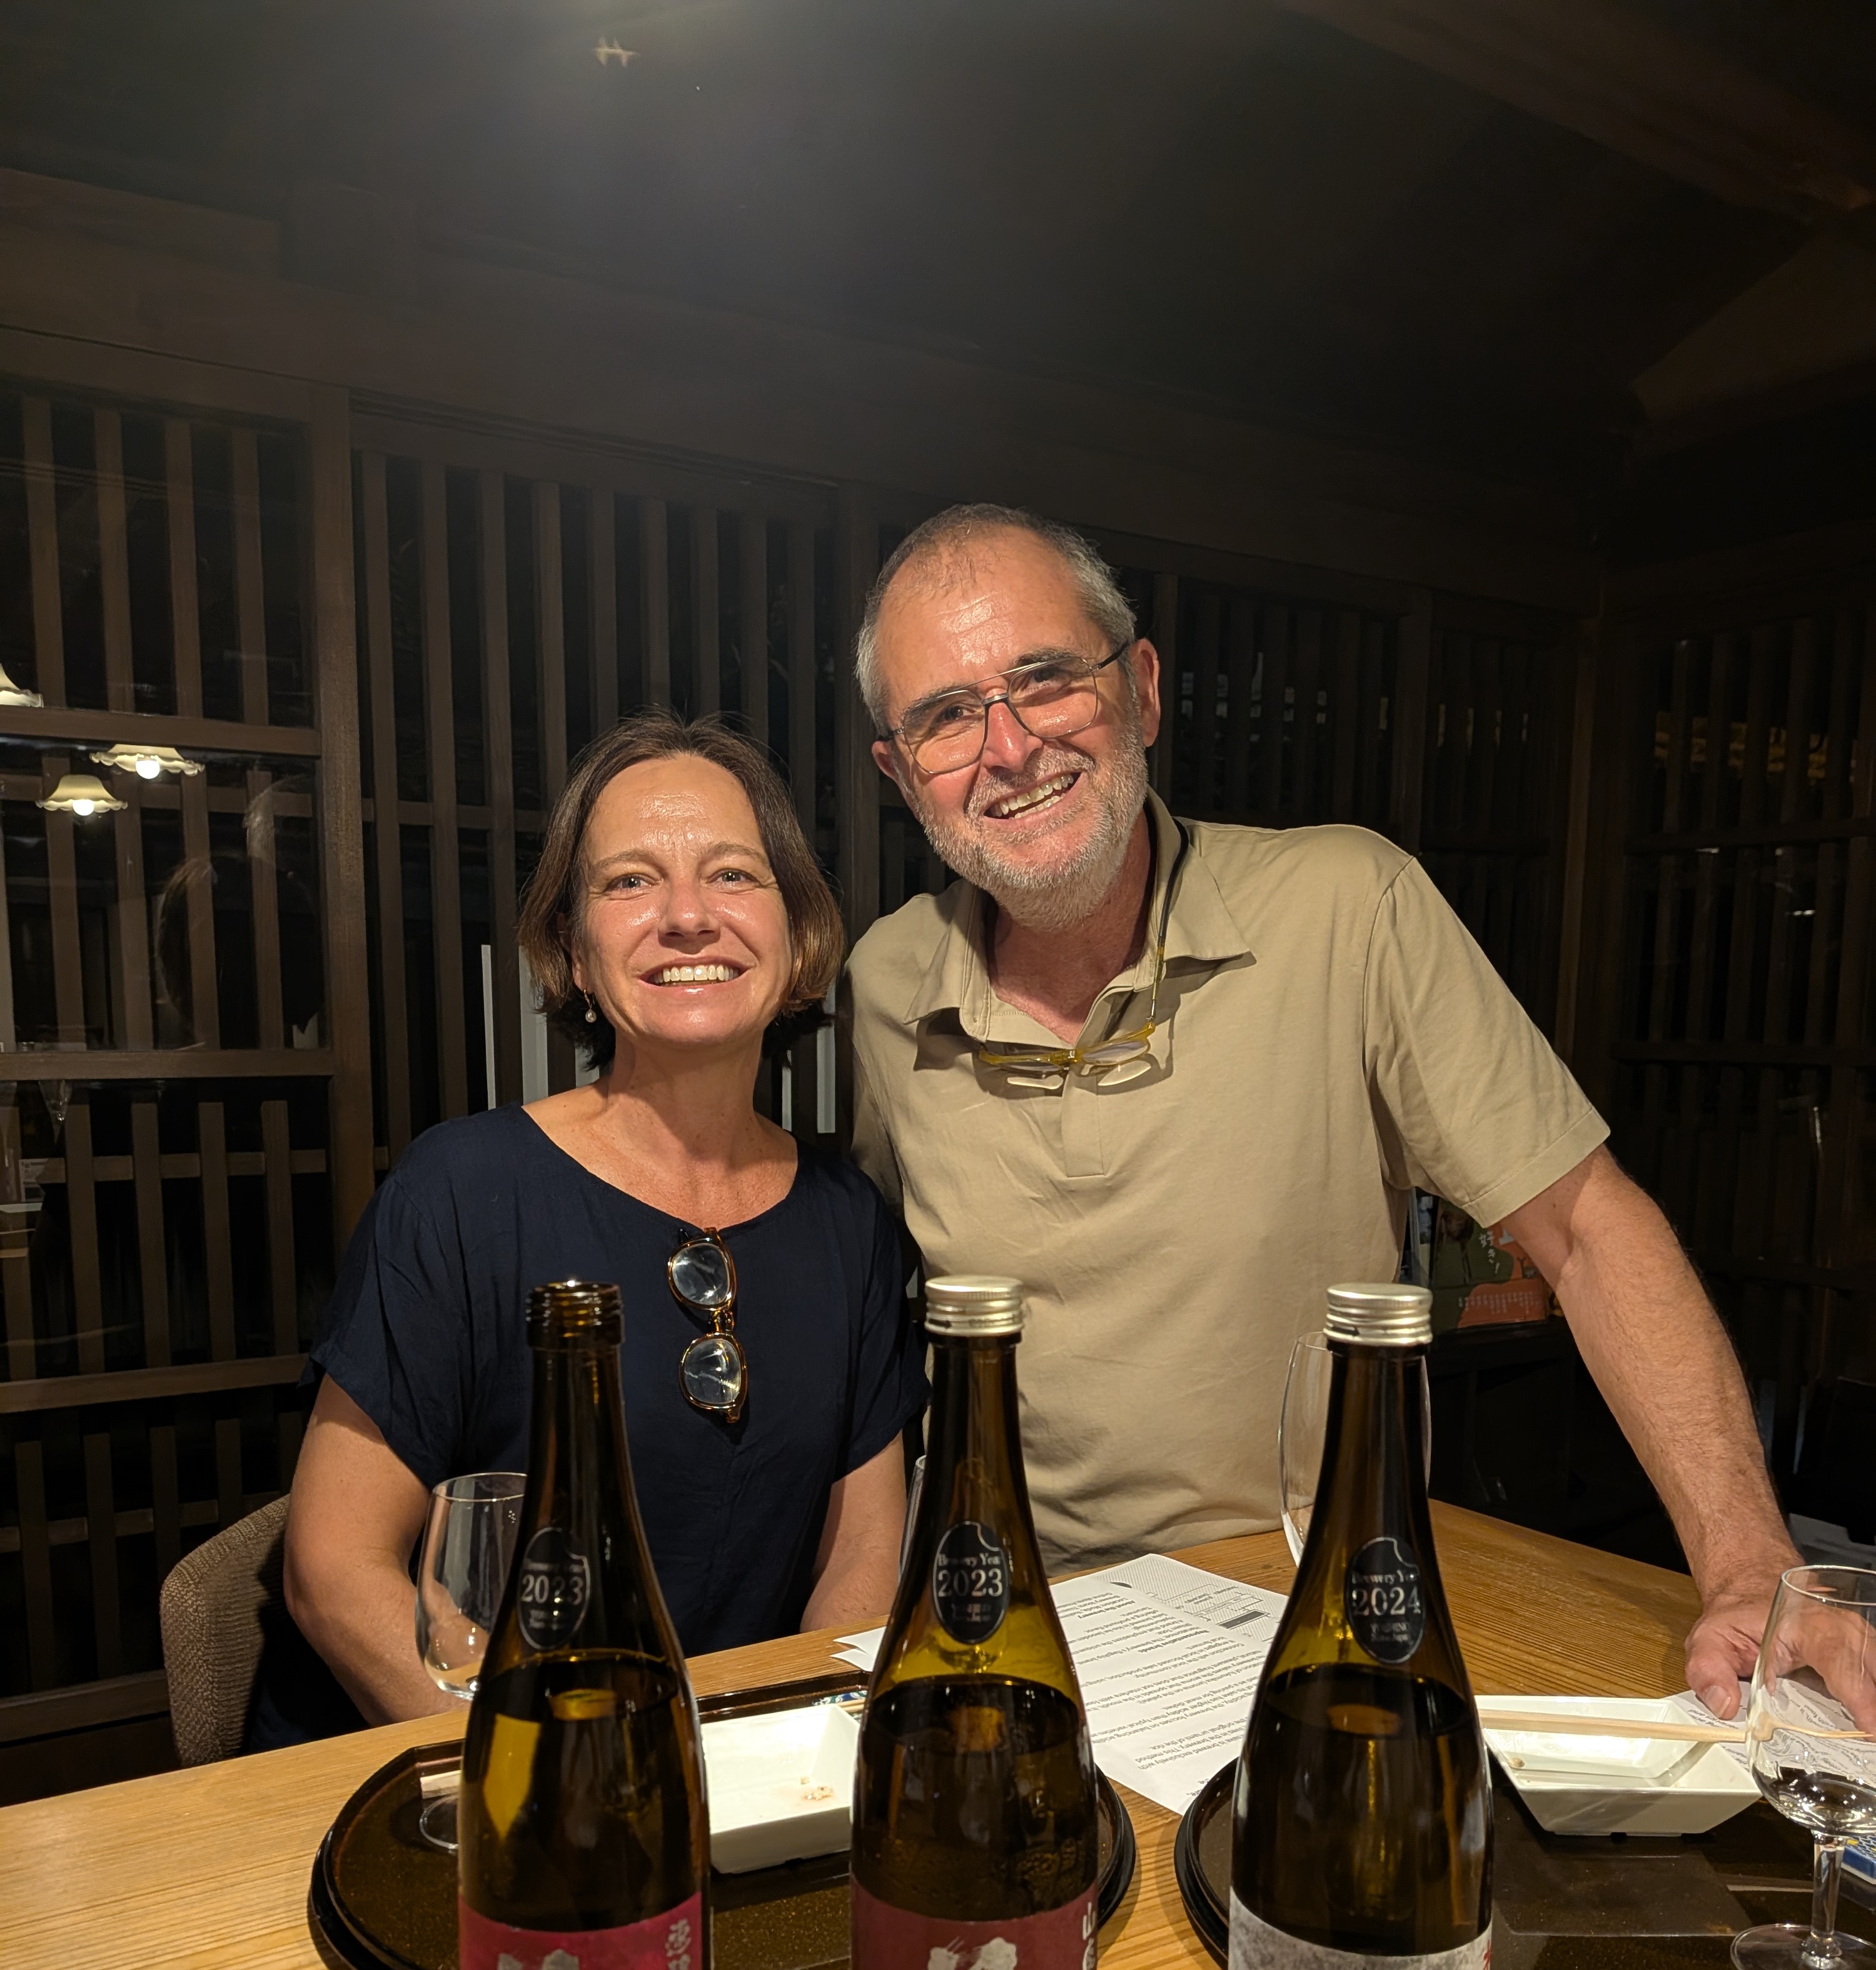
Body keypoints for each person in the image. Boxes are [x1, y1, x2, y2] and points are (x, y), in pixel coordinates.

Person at [842, 503, 1830, 1726]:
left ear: (1141, 688)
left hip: (1304, 1611)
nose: (1009, 745)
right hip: (1002, 1624)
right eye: (946, 715)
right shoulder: (886, 981)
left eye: (1047, 678)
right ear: (899, 773)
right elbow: (862, 1307)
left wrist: (1750, 1567)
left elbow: (1586, 1229)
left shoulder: (1346, 905)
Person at [270, 713, 924, 1743]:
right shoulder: (462, 1191)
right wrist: (557, 1787)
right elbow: (334, 1569)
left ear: (800, 934)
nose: (688, 917)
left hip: (745, 1770)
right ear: (574, 952)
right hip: (480, 1769)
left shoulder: (852, 1223)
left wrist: (806, 1758)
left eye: (733, 875)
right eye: (629, 882)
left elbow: (861, 1565)